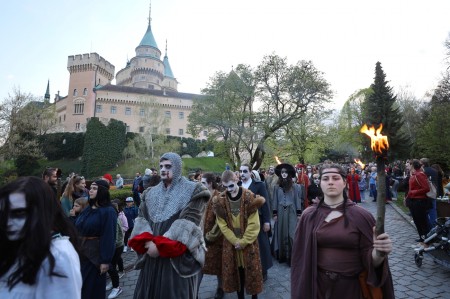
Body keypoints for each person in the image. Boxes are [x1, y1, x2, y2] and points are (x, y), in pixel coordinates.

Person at [291, 164, 395, 299]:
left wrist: (379, 253)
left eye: (335, 178)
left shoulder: (361, 216)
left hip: (352, 289)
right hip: (319, 288)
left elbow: (370, 261)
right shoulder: (309, 215)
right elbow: (300, 257)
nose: (330, 182)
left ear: (345, 182)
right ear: (320, 183)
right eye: (325, 179)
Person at [129, 152, 210, 299]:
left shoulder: (194, 190)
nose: (163, 169)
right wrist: (147, 242)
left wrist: (160, 247)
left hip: (176, 261)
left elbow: (189, 223)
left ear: (177, 167)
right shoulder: (150, 193)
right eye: (161, 166)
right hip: (151, 259)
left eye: (168, 166)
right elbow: (142, 220)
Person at [0, 176, 81, 298]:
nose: (8, 222)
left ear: (43, 212)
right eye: (3, 213)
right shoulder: (16, 245)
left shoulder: (58, 255)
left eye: (18, 213)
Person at [213, 170, 264, 299]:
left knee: (252, 271)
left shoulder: (248, 196)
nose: (228, 190)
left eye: (231, 185)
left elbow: (254, 223)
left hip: (248, 242)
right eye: (225, 187)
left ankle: (254, 297)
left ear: (236, 180)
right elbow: (222, 224)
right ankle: (240, 296)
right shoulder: (221, 200)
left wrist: (243, 241)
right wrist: (234, 240)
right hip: (232, 244)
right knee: (237, 272)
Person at [75, 179, 117, 299]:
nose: (90, 191)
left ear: (102, 191)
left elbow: (108, 236)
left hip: (95, 257)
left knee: (91, 290)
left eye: (94, 188)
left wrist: (105, 260)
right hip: (82, 253)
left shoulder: (108, 211)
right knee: (82, 288)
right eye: (91, 188)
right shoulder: (88, 208)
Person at [240, 163, 273, 281]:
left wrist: (267, 221)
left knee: (261, 245)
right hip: (242, 222)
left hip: (257, 220)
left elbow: (265, 204)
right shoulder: (238, 186)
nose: (242, 174)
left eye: (245, 171)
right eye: (241, 171)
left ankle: (264, 270)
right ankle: (248, 270)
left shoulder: (259, 185)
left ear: (250, 173)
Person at [271, 163, 303, 265]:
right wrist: (275, 213)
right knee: (281, 232)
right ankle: (283, 256)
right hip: (280, 211)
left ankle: (292, 257)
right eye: (282, 172)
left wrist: (298, 214)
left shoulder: (295, 187)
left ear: (289, 173)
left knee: (291, 233)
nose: (284, 174)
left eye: (286, 172)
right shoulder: (276, 187)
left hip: (292, 211)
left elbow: (297, 200)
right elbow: (275, 200)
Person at [201, 172, 224, 299]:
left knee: (218, 266)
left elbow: (221, 221)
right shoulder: (202, 196)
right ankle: (194, 290)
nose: (201, 185)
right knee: (199, 265)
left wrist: (210, 236)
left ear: (210, 183)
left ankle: (220, 289)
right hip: (202, 237)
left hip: (215, 239)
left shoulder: (219, 197)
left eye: (203, 183)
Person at [406, 159, 431, 245]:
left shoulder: (420, 175)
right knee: (417, 220)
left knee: (421, 221)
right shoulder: (414, 174)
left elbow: (426, 188)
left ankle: (426, 239)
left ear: (412, 166)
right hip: (414, 200)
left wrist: (413, 192)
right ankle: (422, 237)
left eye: (408, 165)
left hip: (419, 201)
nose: (407, 166)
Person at [106, 201, 127, 299]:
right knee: (112, 266)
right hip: (114, 246)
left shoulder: (114, 218)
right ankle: (114, 283)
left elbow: (117, 234)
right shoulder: (111, 217)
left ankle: (116, 287)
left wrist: (112, 246)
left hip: (117, 246)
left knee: (111, 267)